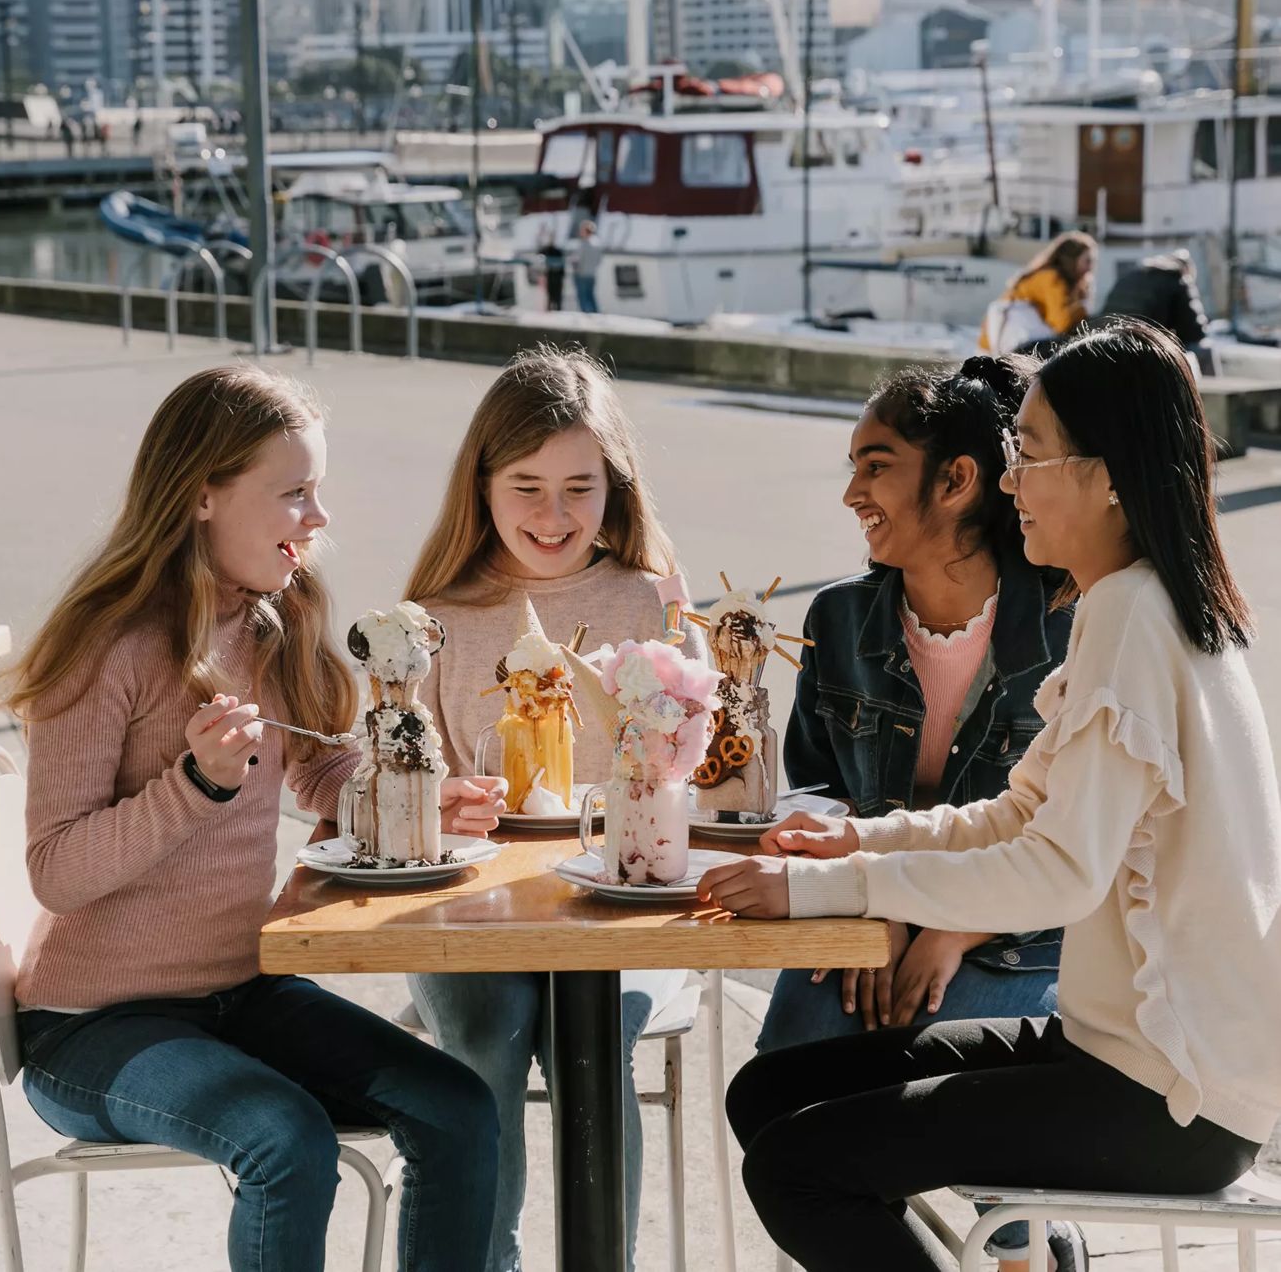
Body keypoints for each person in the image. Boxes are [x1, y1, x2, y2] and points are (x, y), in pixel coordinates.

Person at [701, 321, 1281, 1272]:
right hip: (1113, 1056)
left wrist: (824, 893)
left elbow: (1056, 872)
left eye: (1032, 454)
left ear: (1107, 477)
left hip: (1170, 1099)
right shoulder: (1130, 602)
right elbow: (1020, 814)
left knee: (795, 1167)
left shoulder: (1135, 613)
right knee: (771, 1098)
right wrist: (855, 850)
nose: (1010, 481)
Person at [0, 366, 500, 1272]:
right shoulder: (104, 644)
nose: (320, 517)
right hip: (92, 1026)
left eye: (319, 491)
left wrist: (413, 803)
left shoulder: (274, 616)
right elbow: (54, 870)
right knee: (284, 1138)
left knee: (456, 1106)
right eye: (295, 493)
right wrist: (197, 784)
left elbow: (323, 769)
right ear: (202, 498)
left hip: (238, 991)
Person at [402, 344, 701, 1272]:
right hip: (471, 903)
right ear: (481, 485)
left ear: (614, 488)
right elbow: (389, 791)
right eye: (526, 486)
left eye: (579, 487)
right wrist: (439, 807)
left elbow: (701, 768)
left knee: (594, 1030)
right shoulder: (434, 616)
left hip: (618, 897)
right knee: (488, 1036)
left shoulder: (651, 601)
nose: (553, 514)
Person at [757, 355, 1068, 1072]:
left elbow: (1075, 842)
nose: (850, 494)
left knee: (900, 1068)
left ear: (957, 480)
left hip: (1017, 933)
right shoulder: (836, 619)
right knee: (783, 1072)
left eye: (875, 466)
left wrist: (953, 927)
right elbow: (816, 793)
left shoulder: (1069, 629)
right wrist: (873, 907)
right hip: (865, 909)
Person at [980, 231, 1097, 354]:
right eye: (1088, 261)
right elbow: (1061, 324)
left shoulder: (1058, 279)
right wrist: (1082, 309)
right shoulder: (1051, 278)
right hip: (1007, 344)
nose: (1091, 267)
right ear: (1072, 260)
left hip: (998, 342)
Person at [1098, 249, 1209, 355]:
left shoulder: (1132, 275)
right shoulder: (1177, 279)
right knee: (1201, 350)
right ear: (1187, 270)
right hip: (1140, 344)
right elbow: (1194, 332)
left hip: (1108, 339)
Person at [570, 218, 601, 315]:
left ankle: (586, 315)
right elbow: (599, 260)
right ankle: (596, 314)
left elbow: (578, 260)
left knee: (583, 297)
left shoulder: (583, 244)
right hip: (592, 274)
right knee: (591, 295)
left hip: (581, 274)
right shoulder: (597, 243)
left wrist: (575, 267)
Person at [538, 218, 567, 312]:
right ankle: (549, 310)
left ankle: (558, 311)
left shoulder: (558, 251)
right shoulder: (546, 250)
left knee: (557, 295)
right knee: (549, 295)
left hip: (557, 276)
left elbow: (562, 265)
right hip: (550, 275)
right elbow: (539, 252)